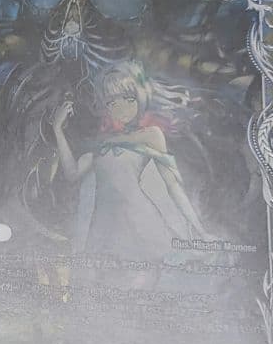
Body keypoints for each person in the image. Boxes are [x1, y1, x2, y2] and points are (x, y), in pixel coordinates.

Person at [52, 61, 208, 268]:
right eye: (112, 102)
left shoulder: (151, 135)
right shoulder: (101, 143)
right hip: (103, 230)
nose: (122, 108)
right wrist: (57, 129)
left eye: (129, 99)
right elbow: (72, 174)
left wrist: (199, 230)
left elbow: (172, 185)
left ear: (140, 97)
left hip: (141, 225)